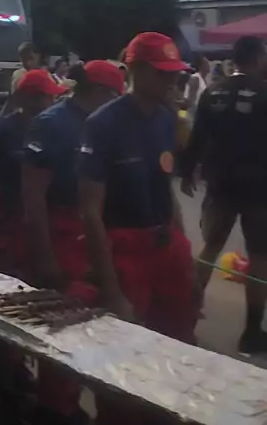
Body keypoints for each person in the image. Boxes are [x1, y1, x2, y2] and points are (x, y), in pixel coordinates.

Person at [22, 61, 124, 425]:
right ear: (101, 92)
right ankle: (54, 406)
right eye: (115, 96)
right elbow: (33, 195)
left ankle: (75, 399)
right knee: (63, 324)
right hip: (62, 231)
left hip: (95, 230)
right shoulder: (52, 123)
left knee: (96, 324)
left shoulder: (107, 124)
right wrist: (46, 256)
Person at [80, 33, 197, 345]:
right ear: (139, 71)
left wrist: (184, 255)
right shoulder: (102, 124)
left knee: (179, 338)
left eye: (175, 73)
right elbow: (91, 211)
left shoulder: (167, 120)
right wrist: (111, 290)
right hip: (126, 250)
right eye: (164, 73)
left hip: (166, 246)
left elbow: (166, 189)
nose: (172, 81)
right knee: (127, 348)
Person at [181, 35, 267, 354]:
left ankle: (184, 319)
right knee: (259, 256)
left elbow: (197, 136)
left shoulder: (214, 91)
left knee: (210, 249)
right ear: (257, 57)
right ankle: (252, 332)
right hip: (259, 186)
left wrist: (187, 171)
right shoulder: (264, 93)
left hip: (219, 182)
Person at [0, 69, 64, 276]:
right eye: (44, 96)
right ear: (24, 98)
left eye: (51, 96)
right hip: (8, 224)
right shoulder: (0, 131)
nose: (51, 101)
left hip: (46, 223)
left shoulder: (54, 130)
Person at [184, 55, 210, 126]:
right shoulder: (195, 78)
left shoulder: (205, 80)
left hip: (200, 118)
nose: (208, 64)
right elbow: (189, 101)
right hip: (193, 120)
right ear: (201, 66)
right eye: (206, 62)